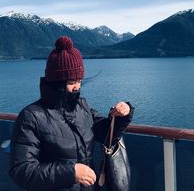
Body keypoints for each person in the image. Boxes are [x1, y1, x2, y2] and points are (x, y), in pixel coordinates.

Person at [9, 36, 134, 191]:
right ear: (56, 83)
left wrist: (122, 116)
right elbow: (21, 171)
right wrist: (70, 173)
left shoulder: (82, 106)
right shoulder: (31, 116)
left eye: (79, 80)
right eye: (71, 82)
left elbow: (106, 133)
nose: (77, 87)